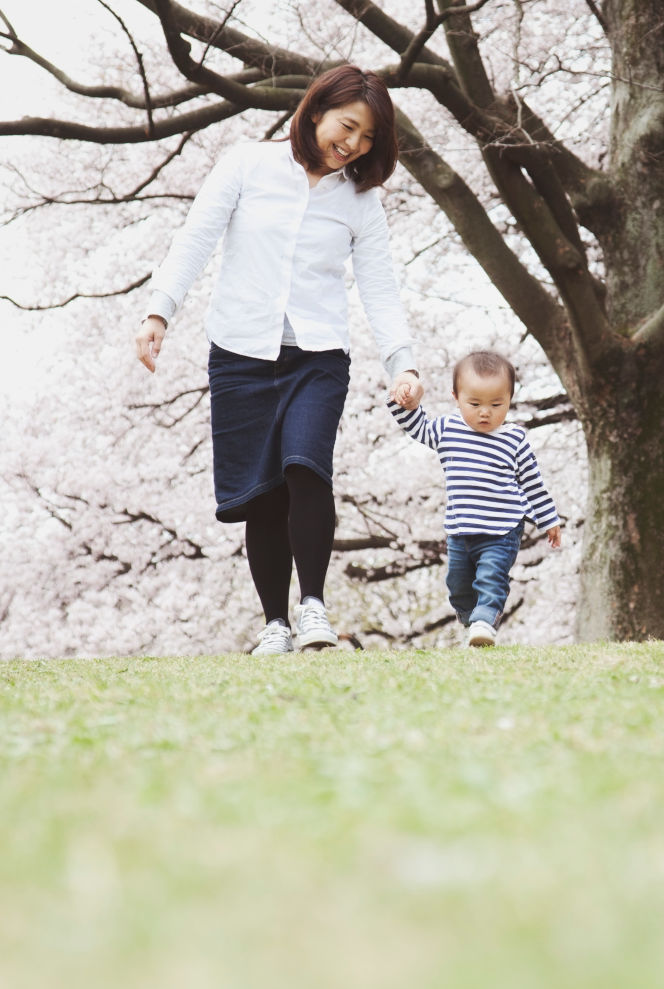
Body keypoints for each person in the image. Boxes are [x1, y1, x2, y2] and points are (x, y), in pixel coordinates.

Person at [132, 66, 422, 656]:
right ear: (315, 111)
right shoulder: (247, 164)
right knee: (262, 491)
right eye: (347, 127)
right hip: (240, 354)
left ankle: (314, 608)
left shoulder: (361, 202)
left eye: (368, 137)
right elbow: (196, 237)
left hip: (318, 357)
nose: (353, 144)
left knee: (305, 466)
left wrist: (403, 364)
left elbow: (380, 287)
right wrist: (159, 311)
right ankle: (276, 624)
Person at [387, 351, 562, 647]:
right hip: (460, 531)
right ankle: (472, 621)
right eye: (475, 404)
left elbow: (533, 483)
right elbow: (417, 427)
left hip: (502, 531)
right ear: (456, 397)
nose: (485, 413)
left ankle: (484, 621)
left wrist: (549, 520)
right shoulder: (449, 429)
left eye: (496, 404)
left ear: (510, 400)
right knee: (458, 586)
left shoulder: (514, 439)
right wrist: (403, 401)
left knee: (491, 578)